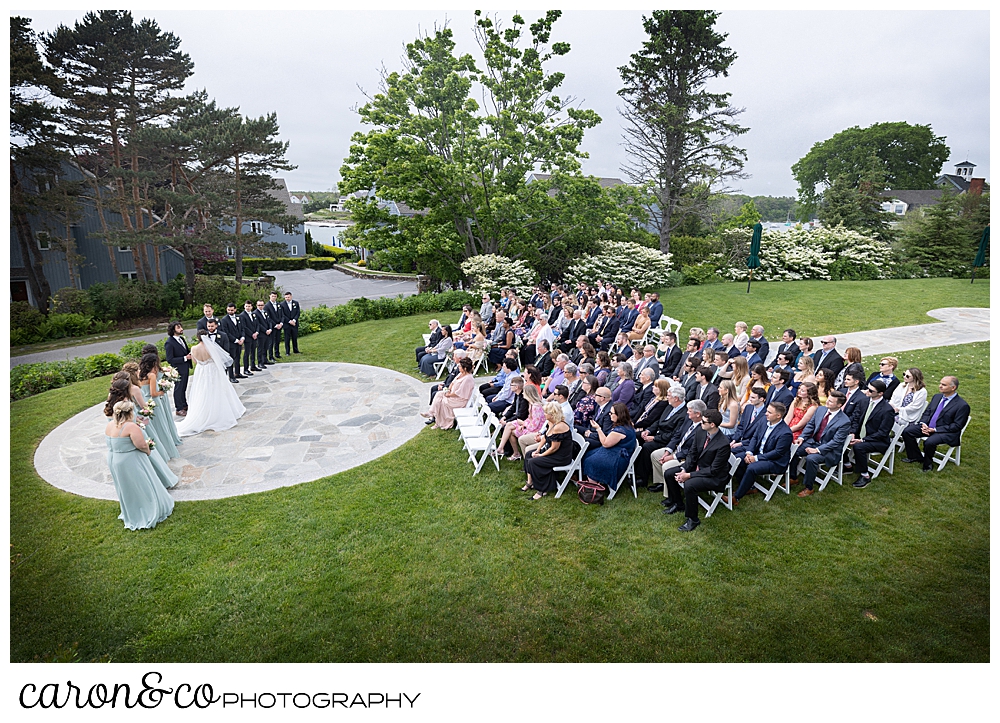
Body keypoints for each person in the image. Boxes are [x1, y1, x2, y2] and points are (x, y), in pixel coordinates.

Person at [104, 400, 175, 530]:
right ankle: (148, 510)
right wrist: (148, 450)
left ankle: (132, 511)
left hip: (114, 460)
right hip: (130, 460)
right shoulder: (131, 427)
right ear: (130, 412)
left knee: (126, 487)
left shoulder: (110, 425)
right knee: (142, 484)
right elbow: (141, 445)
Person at [662, 409, 731, 532]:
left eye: (703, 422)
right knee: (669, 473)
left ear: (712, 425)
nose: (700, 423)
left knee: (689, 485)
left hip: (715, 477)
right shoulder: (701, 431)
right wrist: (684, 469)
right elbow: (692, 454)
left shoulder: (723, 444)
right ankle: (678, 503)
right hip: (698, 468)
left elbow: (713, 470)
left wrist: (689, 475)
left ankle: (693, 519)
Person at [175, 329, 246, 436]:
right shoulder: (211, 347)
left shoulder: (194, 348)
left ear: (197, 337)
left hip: (201, 371)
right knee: (216, 390)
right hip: (212, 370)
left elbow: (195, 361)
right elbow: (218, 359)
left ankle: (204, 413)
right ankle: (218, 413)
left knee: (203, 391)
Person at [901, 376, 971, 473]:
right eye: (940, 383)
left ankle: (927, 463)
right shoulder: (937, 397)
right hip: (929, 427)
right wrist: (924, 423)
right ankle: (915, 457)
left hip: (945, 432)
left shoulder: (962, 405)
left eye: (943, 385)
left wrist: (935, 430)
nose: (940, 386)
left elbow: (957, 426)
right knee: (907, 431)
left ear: (953, 388)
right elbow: (927, 412)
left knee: (929, 442)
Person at [790, 391, 852, 497]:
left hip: (829, 450)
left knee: (811, 458)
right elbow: (811, 425)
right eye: (828, 399)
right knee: (794, 449)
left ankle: (809, 487)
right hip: (813, 442)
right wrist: (802, 437)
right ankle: (793, 477)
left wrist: (818, 450)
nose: (827, 402)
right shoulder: (821, 409)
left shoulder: (844, 421)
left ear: (839, 405)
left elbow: (836, 442)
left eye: (831, 401)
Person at [731, 402, 793, 504]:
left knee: (751, 468)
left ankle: (736, 497)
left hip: (775, 461)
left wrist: (755, 458)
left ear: (778, 416)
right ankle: (749, 487)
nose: (765, 414)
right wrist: (749, 453)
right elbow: (755, 437)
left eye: (769, 412)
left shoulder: (785, 433)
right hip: (758, 453)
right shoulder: (764, 421)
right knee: (738, 459)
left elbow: (777, 453)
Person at [521, 402, 574, 499]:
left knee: (534, 462)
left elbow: (554, 448)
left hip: (560, 456)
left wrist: (541, 455)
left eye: (546, 412)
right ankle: (530, 482)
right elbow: (545, 437)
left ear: (553, 414)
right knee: (529, 454)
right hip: (552, 452)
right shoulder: (550, 422)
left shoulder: (559, 427)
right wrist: (537, 450)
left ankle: (542, 490)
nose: (544, 414)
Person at [849, 379, 896, 488]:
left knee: (859, 447)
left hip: (878, 441)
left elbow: (883, 433)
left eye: (871, 391)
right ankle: (846, 464)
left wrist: (862, 440)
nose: (867, 392)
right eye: (867, 388)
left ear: (880, 393)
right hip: (861, 435)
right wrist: (852, 433)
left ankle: (865, 475)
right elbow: (856, 419)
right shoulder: (864, 401)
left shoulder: (887, 410)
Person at [581, 403, 637, 493]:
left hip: (619, 458)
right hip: (615, 451)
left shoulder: (620, 431)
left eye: (611, 413)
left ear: (619, 415)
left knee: (591, 461)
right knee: (589, 454)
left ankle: (595, 488)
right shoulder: (627, 424)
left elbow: (605, 443)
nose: (609, 415)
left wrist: (598, 429)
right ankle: (595, 482)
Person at [138, 352, 182, 461]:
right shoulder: (151, 375)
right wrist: (162, 392)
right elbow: (153, 393)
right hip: (155, 402)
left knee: (154, 428)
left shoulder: (139, 374)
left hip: (146, 402)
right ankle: (167, 449)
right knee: (161, 426)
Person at [497, 383, 545, 460]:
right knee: (509, 425)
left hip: (536, 431)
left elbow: (534, 426)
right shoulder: (531, 404)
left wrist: (523, 423)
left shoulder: (536, 407)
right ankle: (503, 449)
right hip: (529, 426)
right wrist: (523, 425)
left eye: (524, 392)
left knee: (511, 431)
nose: (522, 393)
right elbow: (530, 419)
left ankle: (511, 452)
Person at [427, 357, 476, 430]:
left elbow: (459, 393)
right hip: (453, 395)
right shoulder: (461, 374)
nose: (458, 367)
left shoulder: (468, 379)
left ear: (465, 368)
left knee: (442, 402)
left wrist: (449, 395)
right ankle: (431, 413)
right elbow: (452, 382)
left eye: (460, 366)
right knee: (438, 394)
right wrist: (448, 390)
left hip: (459, 400)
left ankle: (441, 423)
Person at [164, 321, 192, 417]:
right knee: (178, 388)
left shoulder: (182, 339)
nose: (181, 329)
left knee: (184, 387)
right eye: (178, 327)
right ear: (173, 330)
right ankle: (178, 408)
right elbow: (170, 359)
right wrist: (185, 358)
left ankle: (184, 404)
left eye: (181, 327)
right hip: (178, 368)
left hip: (185, 367)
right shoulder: (169, 343)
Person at [220, 303, 248, 379]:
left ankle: (237, 373)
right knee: (231, 359)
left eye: (232, 310)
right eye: (228, 310)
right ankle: (231, 376)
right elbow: (226, 333)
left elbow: (242, 328)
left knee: (238, 358)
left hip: (239, 341)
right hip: (231, 343)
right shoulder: (224, 320)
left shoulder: (239, 317)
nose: (230, 311)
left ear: (235, 310)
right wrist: (236, 340)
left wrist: (242, 338)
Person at [239, 301, 261, 374]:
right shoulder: (242, 315)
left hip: (254, 336)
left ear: (251, 307)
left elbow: (257, 324)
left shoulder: (254, 314)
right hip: (248, 337)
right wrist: (252, 334)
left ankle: (253, 366)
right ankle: (245, 369)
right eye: (246, 306)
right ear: (244, 307)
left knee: (253, 352)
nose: (248, 308)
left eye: (249, 306)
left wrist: (257, 332)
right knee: (247, 353)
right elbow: (244, 327)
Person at [254, 299, 275, 367]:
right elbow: (258, 324)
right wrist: (265, 330)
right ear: (256, 305)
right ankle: (260, 362)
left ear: (264, 305)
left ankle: (265, 360)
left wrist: (270, 329)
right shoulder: (255, 313)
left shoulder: (265, 311)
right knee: (260, 348)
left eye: (262, 305)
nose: (260, 306)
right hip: (261, 333)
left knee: (266, 347)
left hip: (268, 332)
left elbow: (269, 321)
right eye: (259, 305)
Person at [265, 291, 285, 360]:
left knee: (277, 341)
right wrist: (275, 325)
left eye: (275, 296)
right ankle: (271, 356)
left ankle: (277, 353)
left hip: (279, 326)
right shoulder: (267, 306)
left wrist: (281, 323)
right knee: (271, 342)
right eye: (272, 296)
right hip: (272, 326)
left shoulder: (279, 305)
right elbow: (268, 318)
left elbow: (282, 315)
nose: (274, 297)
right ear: (269, 296)